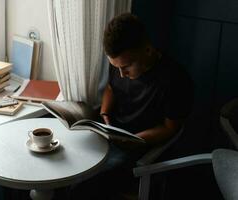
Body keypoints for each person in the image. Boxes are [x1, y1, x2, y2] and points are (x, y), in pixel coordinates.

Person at [70, 13, 193, 199]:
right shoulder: (120, 61)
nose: (121, 73)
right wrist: (104, 113)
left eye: (126, 67)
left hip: (139, 147)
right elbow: (111, 88)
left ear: (148, 50)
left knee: (84, 182)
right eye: (115, 66)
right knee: (69, 163)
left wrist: (135, 140)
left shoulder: (176, 80)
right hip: (110, 134)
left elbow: (171, 128)